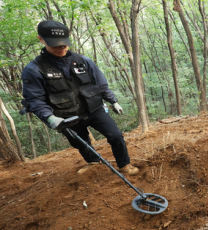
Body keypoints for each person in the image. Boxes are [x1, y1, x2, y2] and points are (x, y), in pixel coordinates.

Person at [21, 20, 139, 175]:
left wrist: (113, 100)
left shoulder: (83, 61)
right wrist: (49, 117)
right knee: (80, 142)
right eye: (56, 45)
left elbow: (101, 84)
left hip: (94, 108)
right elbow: (35, 99)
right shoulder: (34, 69)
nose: (61, 48)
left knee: (115, 135)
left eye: (64, 44)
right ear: (41, 39)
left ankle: (124, 165)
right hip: (66, 116)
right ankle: (93, 162)